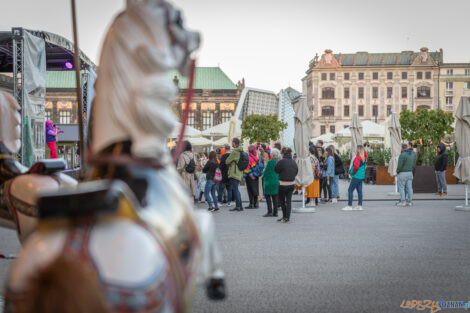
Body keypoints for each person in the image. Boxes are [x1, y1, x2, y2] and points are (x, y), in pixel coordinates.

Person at [274, 147, 298, 223]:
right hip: (291, 184)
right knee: (289, 201)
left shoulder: (281, 161)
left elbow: (276, 170)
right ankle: (287, 217)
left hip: (283, 184)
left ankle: (284, 217)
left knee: (282, 201)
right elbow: (296, 171)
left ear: (283, 153)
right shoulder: (294, 162)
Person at [342, 145, 367, 211]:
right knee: (359, 191)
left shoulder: (358, 157)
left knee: (350, 190)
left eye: (356, 149)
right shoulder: (364, 157)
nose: (356, 150)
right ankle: (359, 206)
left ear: (358, 150)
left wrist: (351, 172)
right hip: (361, 176)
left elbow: (355, 167)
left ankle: (349, 206)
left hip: (356, 176)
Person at [226, 138, 244, 211]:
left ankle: (238, 206)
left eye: (232, 142)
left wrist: (230, 162)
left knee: (235, 190)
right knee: (237, 189)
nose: (231, 144)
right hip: (239, 172)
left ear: (234, 143)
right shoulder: (241, 150)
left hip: (234, 172)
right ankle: (240, 206)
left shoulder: (235, 151)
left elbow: (227, 161)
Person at [263, 148, 281, 217]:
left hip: (269, 181)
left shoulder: (270, 162)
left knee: (268, 196)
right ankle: (275, 212)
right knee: (275, 197)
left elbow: (266, 172)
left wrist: (264, 175)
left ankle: (270, 211)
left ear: (272, 154)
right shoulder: (279, 162)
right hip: (276, 181)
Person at [244, 145, 260, 209]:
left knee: (250, 190)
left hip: (250, 176)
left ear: (249, 150)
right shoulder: (256, 157)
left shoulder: (249, 157)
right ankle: (256, 204)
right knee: (255, 189)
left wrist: (244, 176)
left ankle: (251, 204)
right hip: (256, 175)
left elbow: (247, 168)